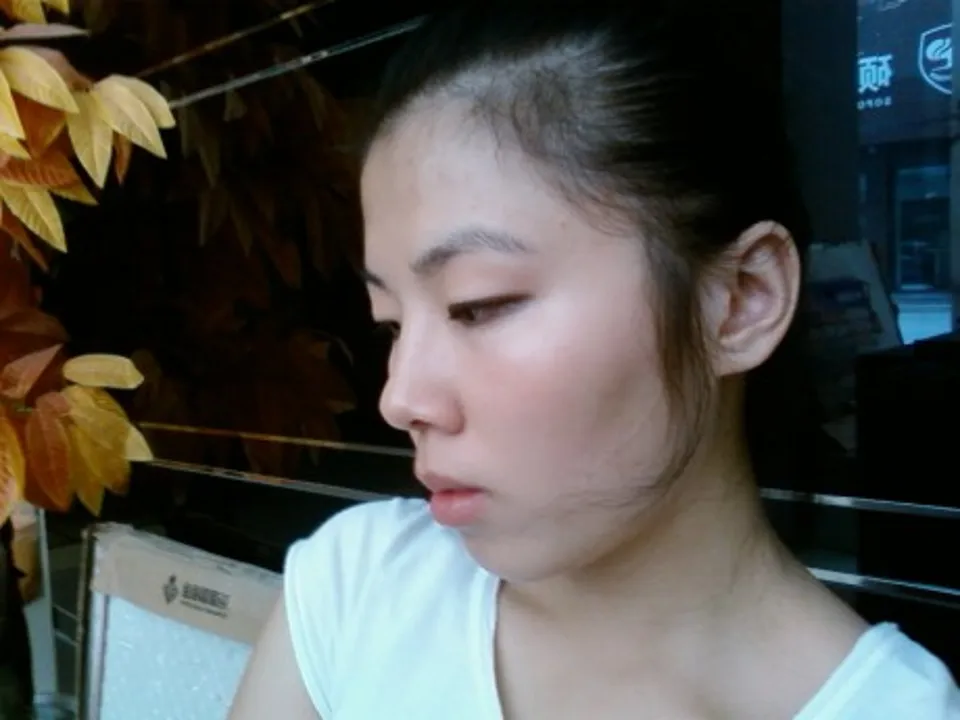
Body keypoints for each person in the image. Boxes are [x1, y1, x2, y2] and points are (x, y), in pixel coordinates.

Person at [230, 2, 960, 718]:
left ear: (741, 299)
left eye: (478, 305)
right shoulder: (359, 589)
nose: (400, 399)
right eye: (391, 324)